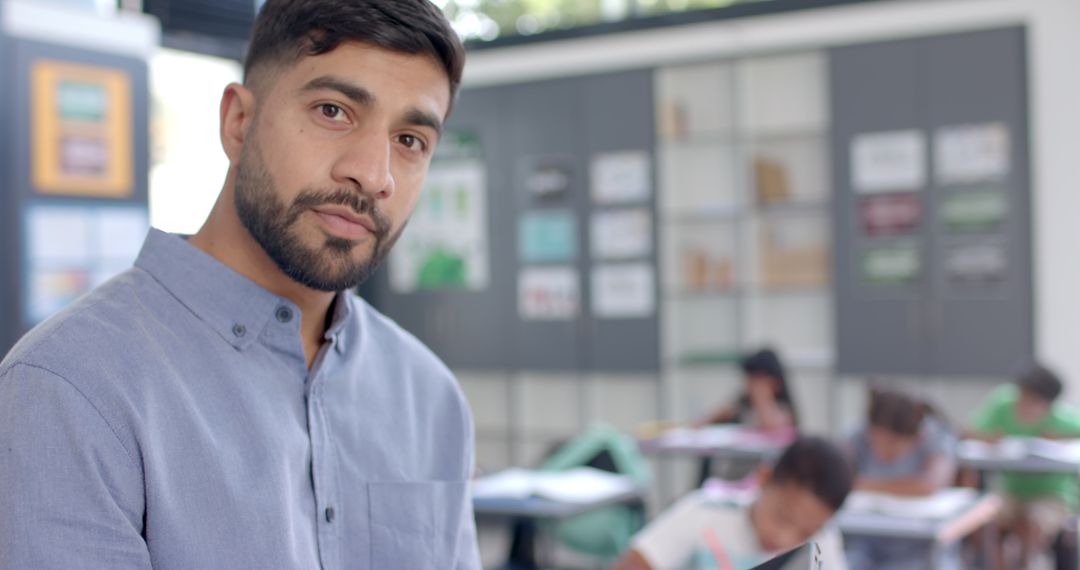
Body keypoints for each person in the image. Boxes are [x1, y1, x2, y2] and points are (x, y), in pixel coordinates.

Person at [0, 1, 479, 568]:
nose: (374, 175)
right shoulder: (70, 388)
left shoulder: (431, 398)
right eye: (333, 111)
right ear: (238, 122)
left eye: (410, 141)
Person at [610, 436, 853, 570]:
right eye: (782, 517)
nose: (784, 539)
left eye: (805, 533)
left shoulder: (823, 539)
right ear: (764, 478)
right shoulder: (704, 512)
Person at [969, 365, 1080, 570]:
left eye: (1033, 400)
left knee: (1031, 524)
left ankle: (1026, 564)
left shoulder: (1064, 418)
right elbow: (971, 432)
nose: (1024, 403)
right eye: (1022, 395)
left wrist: (1062, 439)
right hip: (1010, 491)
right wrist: (990, 439)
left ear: (1047, 404)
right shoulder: (1002, 403)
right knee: (981, 520)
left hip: (1052, 494)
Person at [844, 386, 957, 570]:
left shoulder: (934, 435)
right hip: (866, 545)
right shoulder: (856, 435)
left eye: (893, 443)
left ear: (916, 438)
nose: (884, 450)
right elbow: (839, 478)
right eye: (877, 440)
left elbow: (929, 485)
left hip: (919, 548)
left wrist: (864, 484)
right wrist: (901, 487)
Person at [694, 348, 799, 484]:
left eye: (757, 379)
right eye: (750, 379)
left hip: (766, 479)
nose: (751, 384)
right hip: (735, 475)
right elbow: (703, 422)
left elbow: (771, 425)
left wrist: (762, 396)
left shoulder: (783, 410)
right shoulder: (742, 404)